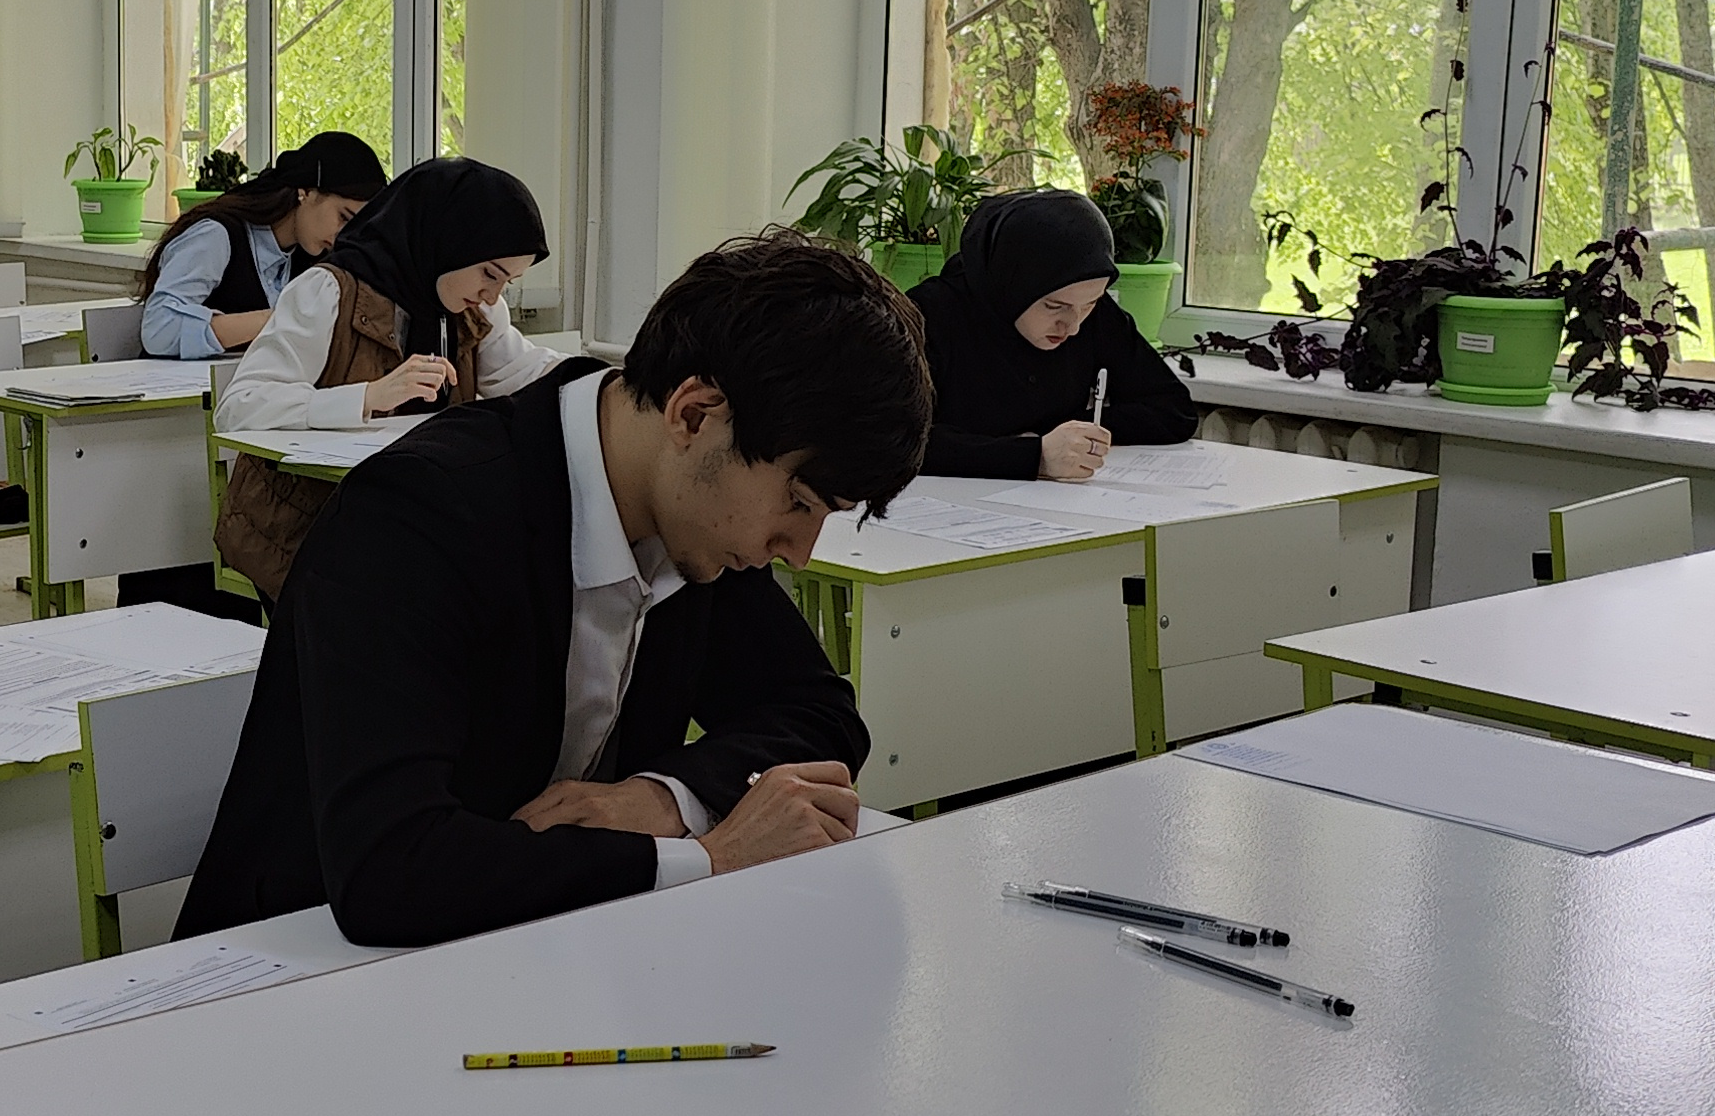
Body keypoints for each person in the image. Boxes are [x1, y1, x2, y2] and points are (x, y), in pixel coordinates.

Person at [174, 231, 932, 945]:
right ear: (694, 415)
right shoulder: (417, 517)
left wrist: (661, 801)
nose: (798, 553)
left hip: (550, 946)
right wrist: (707, 859)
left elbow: (820, 716)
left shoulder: (695, 518)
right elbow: (391, 871)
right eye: (797, 503)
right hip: (300, 971)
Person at [211, 157, 557, 599]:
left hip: (405, 528)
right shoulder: (328, 292)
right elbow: (238, 407)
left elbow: (526, 372)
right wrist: (367, 396)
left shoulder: (473, 311)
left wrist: (607, 384)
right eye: (489, 273)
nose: (493, 294)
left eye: (509, 281)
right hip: (302, 537)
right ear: (446, 240)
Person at [912, 189, 1198, 480]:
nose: (1073, 327)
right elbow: (896, 440)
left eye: (1090, 303)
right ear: (1012, 283)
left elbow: (1174, 410)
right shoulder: (929, 316)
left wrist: (1073, 434)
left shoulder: (1091, 312)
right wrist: (1033, 456)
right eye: (1054, 306)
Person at [138, 131, 388, 358]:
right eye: (344, 217)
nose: (343, 235)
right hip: (175, 391)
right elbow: (158, 330)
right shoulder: (217, 235)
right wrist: (279, 318)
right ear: (306, 192)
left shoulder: (308, 259)